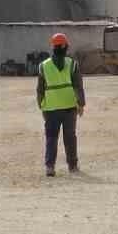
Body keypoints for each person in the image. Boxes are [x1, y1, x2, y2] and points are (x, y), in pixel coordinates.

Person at [36, 32, 85, 176]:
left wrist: (42, 106)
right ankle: (73, 166)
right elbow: (78, 86)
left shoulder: (43, 66)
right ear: (65, 46)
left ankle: (50, 167)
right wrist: (81, 104)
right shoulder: (72, 64)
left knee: (51, 137)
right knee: (70, 137)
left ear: (53, 47)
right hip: (69, 107)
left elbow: (40, 89)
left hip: (51, 108)